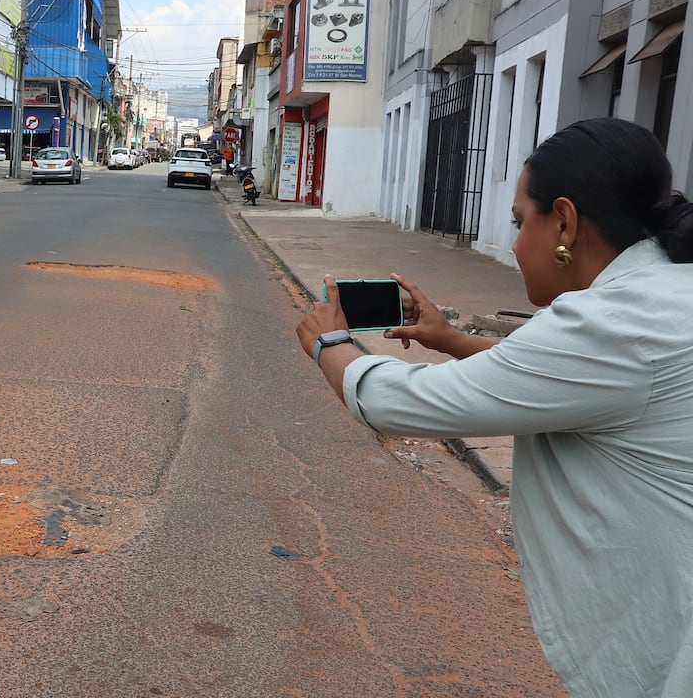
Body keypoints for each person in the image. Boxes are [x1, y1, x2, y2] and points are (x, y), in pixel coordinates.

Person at [296, 117, 693, 697]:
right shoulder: (664, 295)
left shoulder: (608, 322)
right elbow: (580, 377)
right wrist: (453, 341)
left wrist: (330, 343)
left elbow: (398, 402)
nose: (512, 243)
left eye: (518, 222)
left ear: (564, 221)